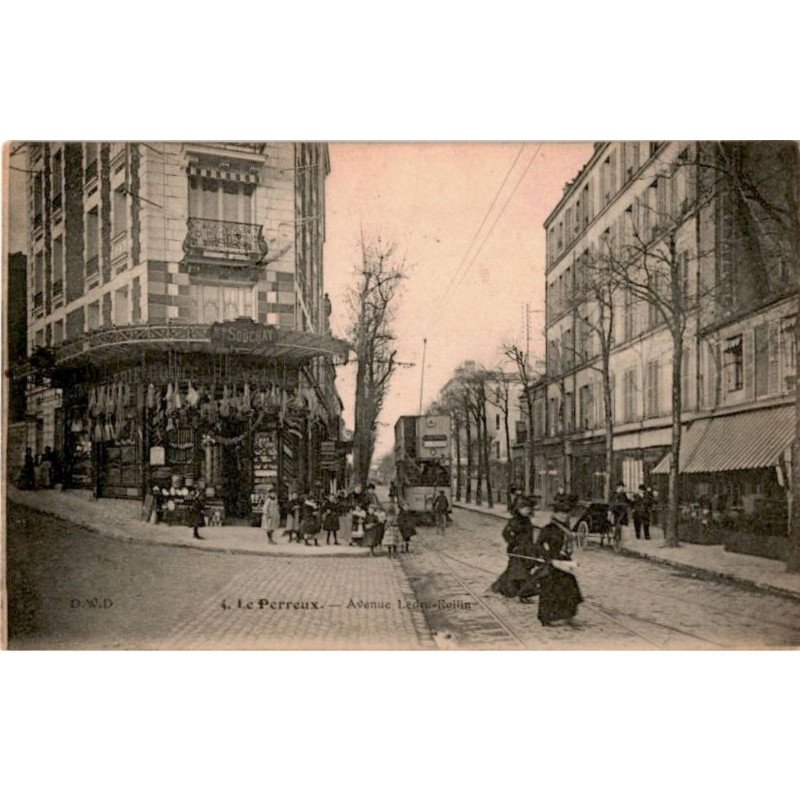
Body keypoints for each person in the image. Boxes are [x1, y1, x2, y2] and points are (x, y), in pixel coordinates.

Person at [527, 508, 583, 626]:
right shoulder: (548, 528)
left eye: (566, 513)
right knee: (549, 590)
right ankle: (545, 618)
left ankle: (569, 615)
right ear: (555, 514)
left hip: (564, 563)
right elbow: (538, 545)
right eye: (561, 513)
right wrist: (549, 559)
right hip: (552, 563)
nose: (564, 515)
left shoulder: (566, 529)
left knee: (570, 588)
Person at [490, 498, 539, 599]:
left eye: (528, 509)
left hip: (527, 549)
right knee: (520, 571)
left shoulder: (527, 520)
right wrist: (513, 543)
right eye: (524, 509)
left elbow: (530, 536)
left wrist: (532, 548)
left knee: (516, 570)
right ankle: (522, 593)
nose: (526, 511)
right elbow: (505, 533)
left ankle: (499, 587)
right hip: (517, 550)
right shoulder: (514, 521)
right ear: (518, 509)